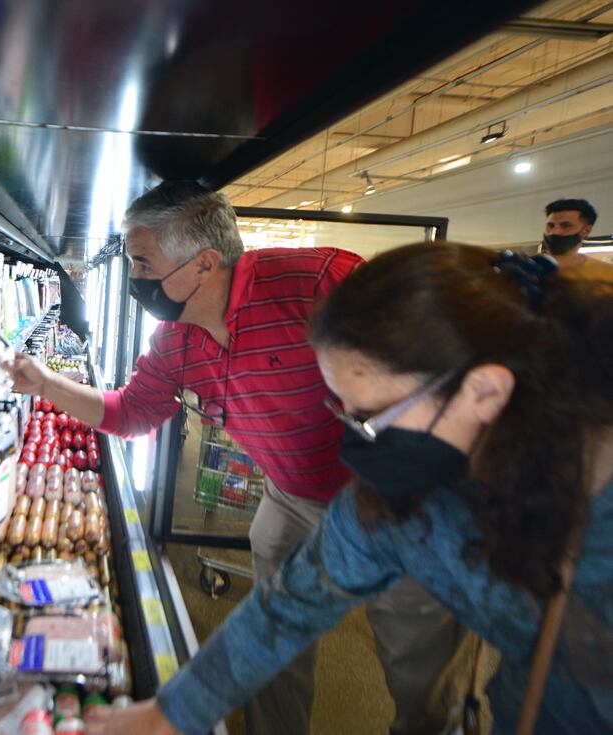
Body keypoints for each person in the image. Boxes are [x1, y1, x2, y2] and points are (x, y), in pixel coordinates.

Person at [85, 242, 613, 735]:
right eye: (345, 410)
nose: (358, 438)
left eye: (375, 415)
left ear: (485, 390)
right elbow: (291, 603)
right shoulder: (404, 501)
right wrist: (169, 712)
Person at [5, 181, 467, 734]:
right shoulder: (175, 340)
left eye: (142, 262)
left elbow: (431, 372)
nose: (135, 280)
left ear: (203, 263)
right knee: (273, 637)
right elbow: (130, 413)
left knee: (417, 660)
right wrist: (44, 382)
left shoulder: (319, 284)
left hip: (394, 499)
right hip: (289, 496)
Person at [541, 198, 613, 283]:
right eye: (551, 225)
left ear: (586, 231)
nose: (554, 232)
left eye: (565, 225)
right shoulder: (526, 267)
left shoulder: (606, 274)